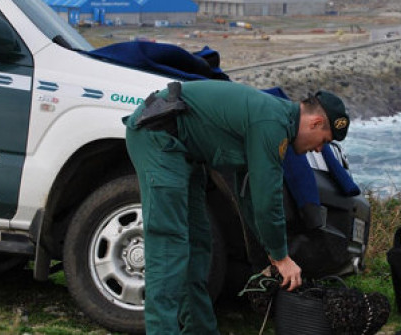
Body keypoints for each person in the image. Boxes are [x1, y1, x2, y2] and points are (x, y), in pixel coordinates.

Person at [123, 79, 350, 334]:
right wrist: (281, 257)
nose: (319, 148)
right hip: (159, 139)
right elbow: (267, 199)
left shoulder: (277, 123)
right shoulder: (271, 124)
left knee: (199, 245)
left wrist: (270, 255)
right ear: (316, 123)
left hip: (186, 153)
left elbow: (250, 197)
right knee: (169, 247)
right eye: (323, 140)